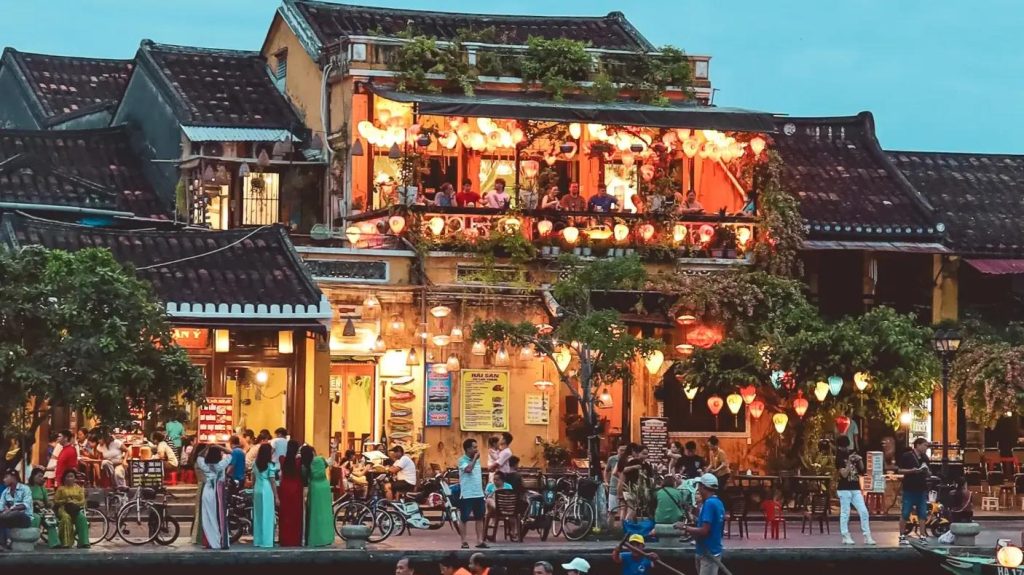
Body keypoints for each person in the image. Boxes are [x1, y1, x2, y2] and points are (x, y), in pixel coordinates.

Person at [677, 473, 725, 575]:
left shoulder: (709, 504)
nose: (697, 489)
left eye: (699, 486)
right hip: (709, 549)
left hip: (708, 552)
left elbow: (704, 530)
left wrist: (685, 527)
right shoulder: (718, 502)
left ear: (703, 487)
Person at [835, 435, 875, 545]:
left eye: (846, 446)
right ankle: (845, 535)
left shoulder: (852, 453)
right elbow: (843, 474)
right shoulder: (838, 457)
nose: (845, 449)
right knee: (845, 512)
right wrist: (848, 462)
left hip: (855, 487)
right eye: (843, 447)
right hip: (844, 488)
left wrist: (859, 459)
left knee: (863, 511)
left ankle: (867, 536)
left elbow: (862, 471)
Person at [898, 437, 932, 544]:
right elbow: (899, 469)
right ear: (918, 445)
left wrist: (926, 471)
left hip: (921, 488)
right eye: (925, 445)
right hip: (909, 488)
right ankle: (902, 535)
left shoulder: (925, 457)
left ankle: (922, 536)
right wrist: (911, 471)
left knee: (922, 513)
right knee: (905, 512)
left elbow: (929, 473)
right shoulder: (907, 456)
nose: (926, 448)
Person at [196, 445, 231, 549]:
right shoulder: (221, 464)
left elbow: (199, 455)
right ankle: (218, 542)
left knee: (207, 517)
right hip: (217, 492)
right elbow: (231, 453)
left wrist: (207, 447)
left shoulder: (203, 464)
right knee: (218, 517)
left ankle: (210, 541)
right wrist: (219, 446)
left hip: (206, 491)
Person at [457, 438, 487, 549]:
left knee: (479, 518)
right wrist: (474, 459)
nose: (476, 449)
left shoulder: (477, 460)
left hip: (478, 493)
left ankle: (479, 540)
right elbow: (469, 469)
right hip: (467, 494)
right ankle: (464, 541)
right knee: (464, 518)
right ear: (468, 449)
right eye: (474, 447)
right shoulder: (462, 460)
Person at [304, 446, 334, 547]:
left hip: (314, 488)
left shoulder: (306, 464)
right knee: (325, 513)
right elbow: (331, 462)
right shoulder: (320, 459)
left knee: (314, 514)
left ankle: (314, 538)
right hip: (325, 488)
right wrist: (333, 450)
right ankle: (326, 538)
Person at [52, 469, 88, 548]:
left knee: (82, 518)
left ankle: (83, 542)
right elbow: (55, 500)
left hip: (75, 509)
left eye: (71, 476)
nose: (69, 478)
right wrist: (64, 501)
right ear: (64, 478)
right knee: (66, 518)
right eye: (67, 476)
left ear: (75, 478)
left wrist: (74, 502)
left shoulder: (79, 488)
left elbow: (82, 501)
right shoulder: (61, 489)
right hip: (63, 508)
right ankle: (66, 542)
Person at [252, 443, 278, 549]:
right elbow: (272, 482)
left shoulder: (255, 463)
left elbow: (253, 478)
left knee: (258, 516)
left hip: (257, 488)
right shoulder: (270, 465)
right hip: (267, 490)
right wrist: (276, 496)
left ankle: (258, 540)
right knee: (267, 515)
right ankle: (267, 541)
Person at [278, 439, 303, 547]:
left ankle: (284, 539)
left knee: (285, 515)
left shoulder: (282, 459)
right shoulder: (299, 460)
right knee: (296, 515)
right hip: (296, 488)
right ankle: (295, 540)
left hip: (284, 488)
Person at [0, 470, 33, 548]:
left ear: (13, 477)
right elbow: (0, 506)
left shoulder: (25, 488)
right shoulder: (5, 492)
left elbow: (26, 505)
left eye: (6, 477)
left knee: (16, 513)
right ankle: (2, 544)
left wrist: (10, 510)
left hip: (25, 519)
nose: (4, 480)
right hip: (11, 518)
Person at [606, 443, 626, 515]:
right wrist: (606, 481)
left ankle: (624, 525)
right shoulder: (612, 459)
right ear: (617, 450)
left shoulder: (628, 460)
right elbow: (607, 471)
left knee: (624, 509)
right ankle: (610, 526)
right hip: (614, 487)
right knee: (612, 511)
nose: (623, 452)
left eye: (625, 450)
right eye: (621, 450)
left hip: (625, 488)